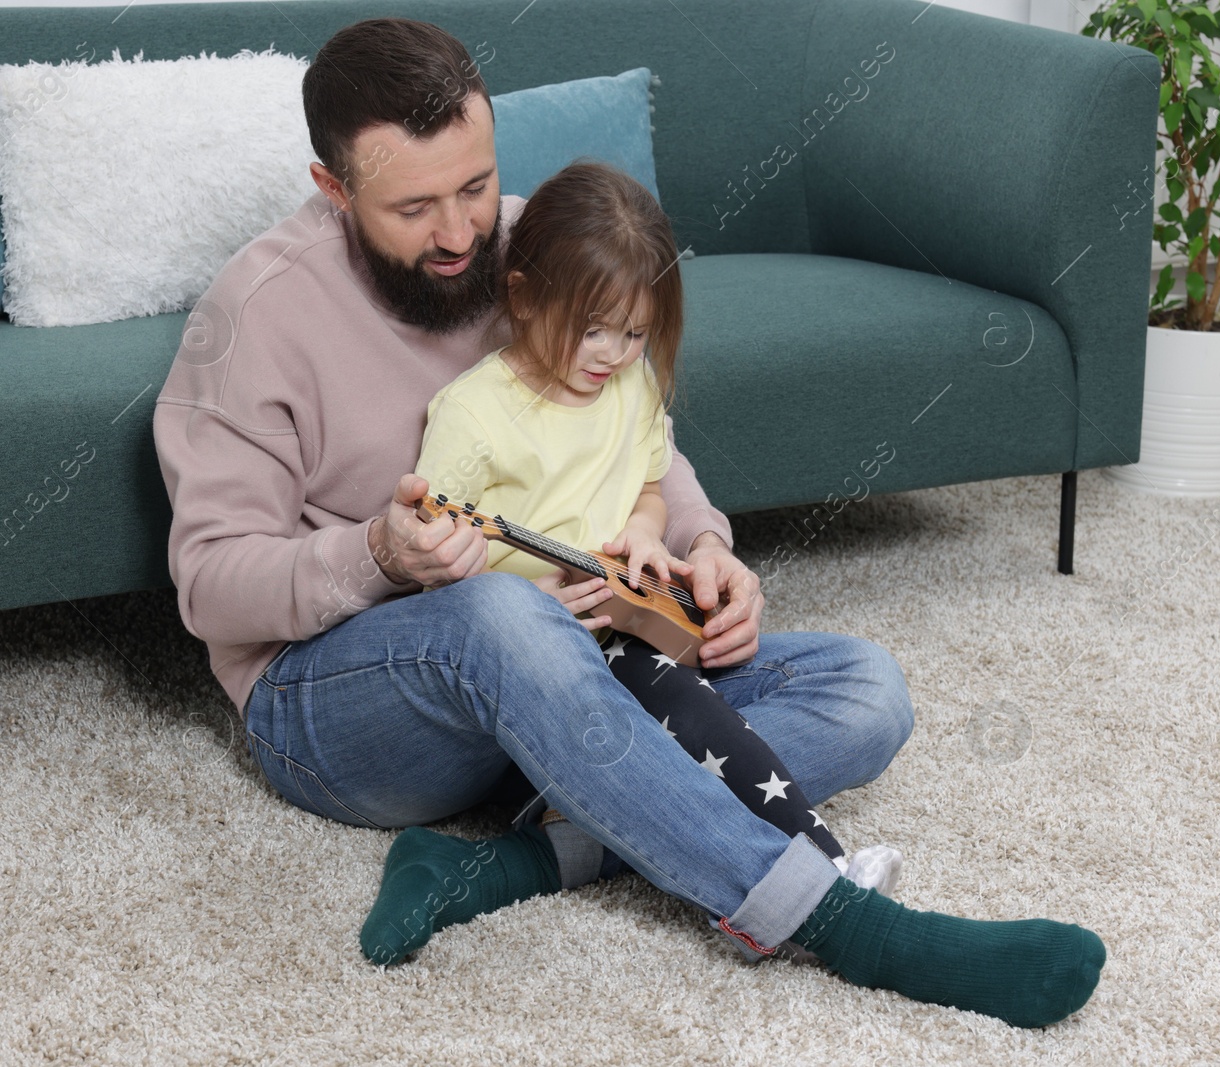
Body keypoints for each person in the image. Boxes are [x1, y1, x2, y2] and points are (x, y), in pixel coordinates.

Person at [153, 16, 1104, 1028]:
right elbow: (210, 584)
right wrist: (379, 552)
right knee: (501, 616)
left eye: (475, 185)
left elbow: (632, 431)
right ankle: (843, 924)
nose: (462, 233)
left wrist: (703, 549)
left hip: (570, 668)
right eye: (415, 206)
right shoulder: (255, 314)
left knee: (861, 690)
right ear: (332, 187)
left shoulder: (535, 246)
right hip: (337, 707)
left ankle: (514, 855)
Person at [411, 159, 904, 898]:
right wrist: (528, 598)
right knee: (690, 712)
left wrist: (648, 535)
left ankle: (576, 827)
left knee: (866, 691)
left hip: (633, 627)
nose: (611, 353)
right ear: (522, 296)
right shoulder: (471, 413)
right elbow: (436, 570)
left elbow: (648, 487)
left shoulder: (629, 384)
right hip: (539, 673)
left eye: (634, 332)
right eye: (591, 331)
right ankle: (824, 872)